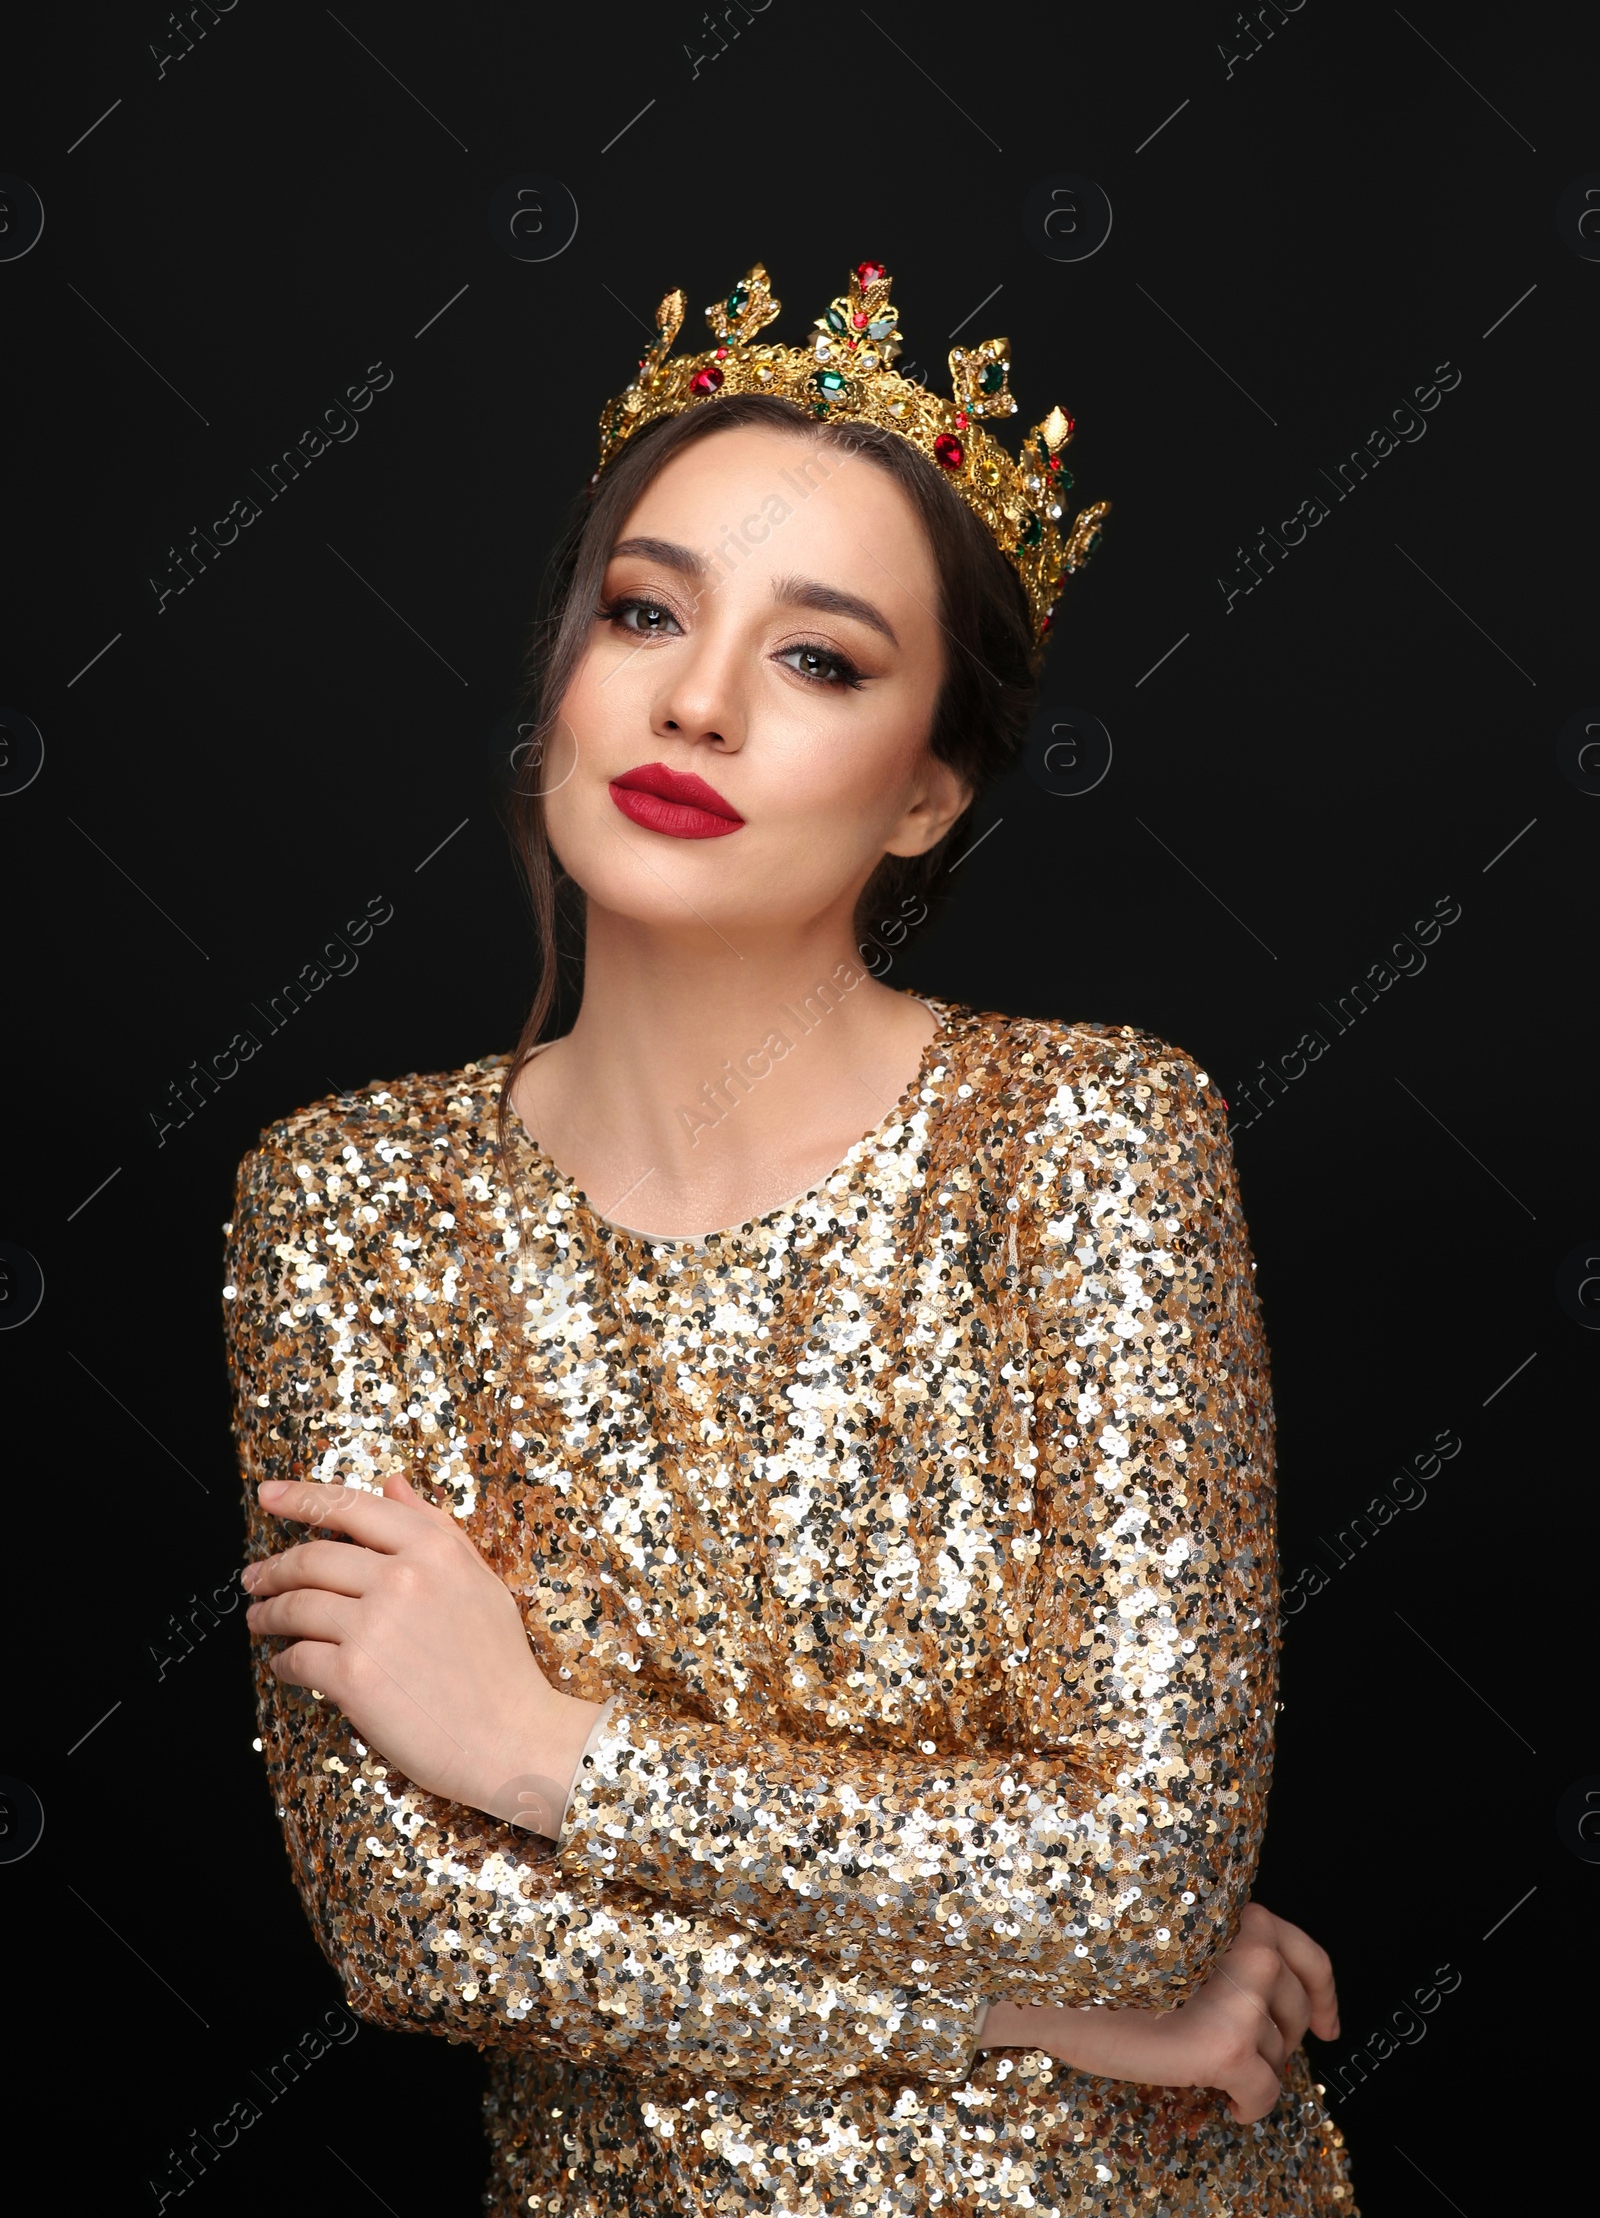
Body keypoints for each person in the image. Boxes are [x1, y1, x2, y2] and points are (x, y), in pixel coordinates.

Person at [224, 261, 1358, 2214]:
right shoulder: (345, 1196)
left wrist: (540, 1749)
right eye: (644, 610)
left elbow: (1140, 1878)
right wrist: (1038, 2017)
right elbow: (407, 1928)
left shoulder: (1087, 1137)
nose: (695, 698)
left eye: (817, 658)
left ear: (925, 786)